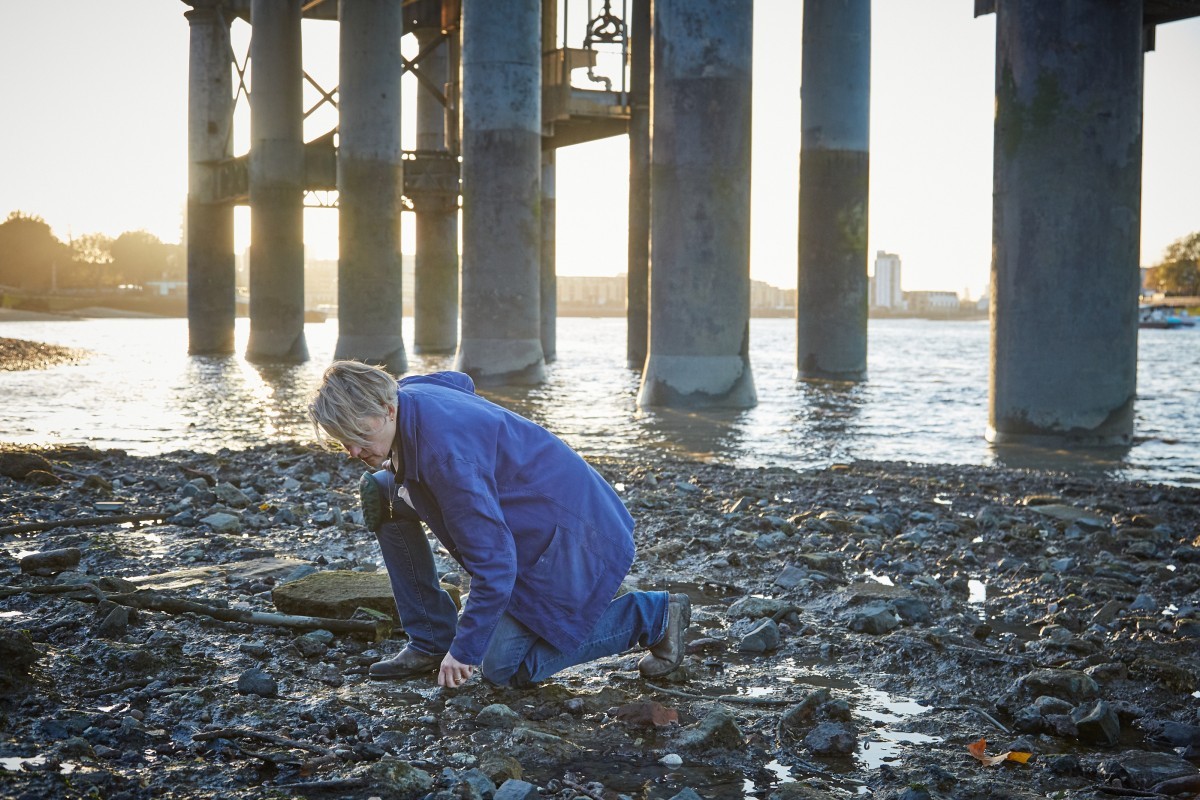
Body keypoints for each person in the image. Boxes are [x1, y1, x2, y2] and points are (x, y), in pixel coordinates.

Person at [306, 360, 691, 689]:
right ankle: (430, 639)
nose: (352, 451)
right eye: (343, 440)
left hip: (573, 538)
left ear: (388, 410)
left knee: (503, 668)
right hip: (544, 509)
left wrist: (464, 651)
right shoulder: (409, 392)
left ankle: (653, 616)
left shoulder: (448, 463)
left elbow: (495, 566)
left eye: (360, 435)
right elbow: (459, 382)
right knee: (381, 492)